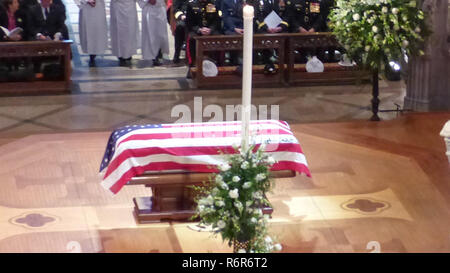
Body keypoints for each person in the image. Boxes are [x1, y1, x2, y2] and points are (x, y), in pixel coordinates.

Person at [254, 0, 289, 73]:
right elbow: (257, 16)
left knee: (286, 39)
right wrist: (267, 28)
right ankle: (267, 64)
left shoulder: (281, 1)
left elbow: (287, 15)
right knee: (264, 40)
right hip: (264, 29)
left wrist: (280, 27)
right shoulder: (258, 1)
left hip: (280, 29)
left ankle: (284, 68)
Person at [185, 0, 222, 66]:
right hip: (197, 30)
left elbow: (216, 21)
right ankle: (192, 64)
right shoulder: (191, 5)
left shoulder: (212, 4)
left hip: (209, 30)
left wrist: (211, 29)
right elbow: (189, 22)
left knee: (219, 38)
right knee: (191, 39)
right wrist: (199, 29)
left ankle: (218, 63)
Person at [75, 0, 108, 67]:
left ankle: (95, 51)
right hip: (86, 7)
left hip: (98, 6)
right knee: (88, 30)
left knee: (97, 29)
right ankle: (91, 54)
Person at [139, 0, 169, 66]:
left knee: (161, 35)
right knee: (151, 35)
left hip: (160, 8)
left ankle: (159, 53)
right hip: (149, 8)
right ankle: (154, 56)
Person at [110, 0, 140, 67]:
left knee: (130, 29)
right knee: (119, 31)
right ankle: (120, 55)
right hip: (117, 5)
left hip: (129, 5)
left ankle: (129, 53)